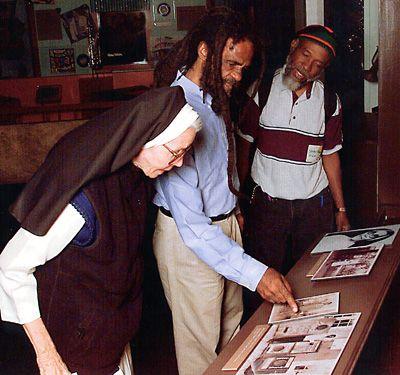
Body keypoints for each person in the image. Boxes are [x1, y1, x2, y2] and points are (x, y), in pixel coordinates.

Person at [0, 86, 201, 375]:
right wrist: (46, 355)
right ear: (145, 139)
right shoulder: (84, 200)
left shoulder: (137, 178)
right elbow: (11, 267)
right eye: (175, 152)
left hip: (111, 342)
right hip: (72, 354)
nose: (180, 162)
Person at [152, 8, 297, 375]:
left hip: (225, 222)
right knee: (201, 349)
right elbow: (193, 228)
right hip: (190, 238)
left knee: (233, 332)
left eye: (243, 69)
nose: (237, 76)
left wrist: (234, 206)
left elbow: (221, 162)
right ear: (204, 51)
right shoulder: (176, 108)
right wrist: (258, 274)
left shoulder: (215, 94)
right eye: (232, 64)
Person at [238, 25, 351, 281]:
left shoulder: (329, 102)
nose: (307, 67)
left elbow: (330, 155)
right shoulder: (262, 90)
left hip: (313, 208)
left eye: (317, 65)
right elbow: (243, 146)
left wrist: (341, 209)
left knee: (312, 277)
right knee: (264, 280)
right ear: (293, 47)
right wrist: (237, 200)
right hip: (267, 206)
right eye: (305, 55)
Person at [313, 227, 395, 252]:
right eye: (374, 232)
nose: (371, 234)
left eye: (375, 236)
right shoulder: (342, 235)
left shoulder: (351, 248)